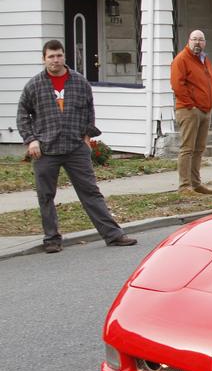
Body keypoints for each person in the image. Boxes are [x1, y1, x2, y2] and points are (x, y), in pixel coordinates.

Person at [16, 40, 138, 253]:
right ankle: (52, 239)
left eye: (59, 55)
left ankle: (113, 235)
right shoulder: (34, 85)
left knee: (91, 192)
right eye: (51, 56)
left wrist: (87, 137)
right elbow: (22, 115)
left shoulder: (80, 82)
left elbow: (89, 111)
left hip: (75, 148)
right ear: (44, 59)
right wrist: (31, 140)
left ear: (65, 56)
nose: (55, 60)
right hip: (46, 150)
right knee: (45, 196)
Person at [170, 29, 212, 195]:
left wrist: (211, 101)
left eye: (201, 40)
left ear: (204, 43)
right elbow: (177, 84)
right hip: (189, 110)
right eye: (194, 39)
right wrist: (191, 105)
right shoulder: (181, 59)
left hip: (205, 110)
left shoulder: (205, 60)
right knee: (187, 149)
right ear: (189, 41)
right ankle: (184, 186)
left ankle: (196, 183)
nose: (198, 43)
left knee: (199, 149)